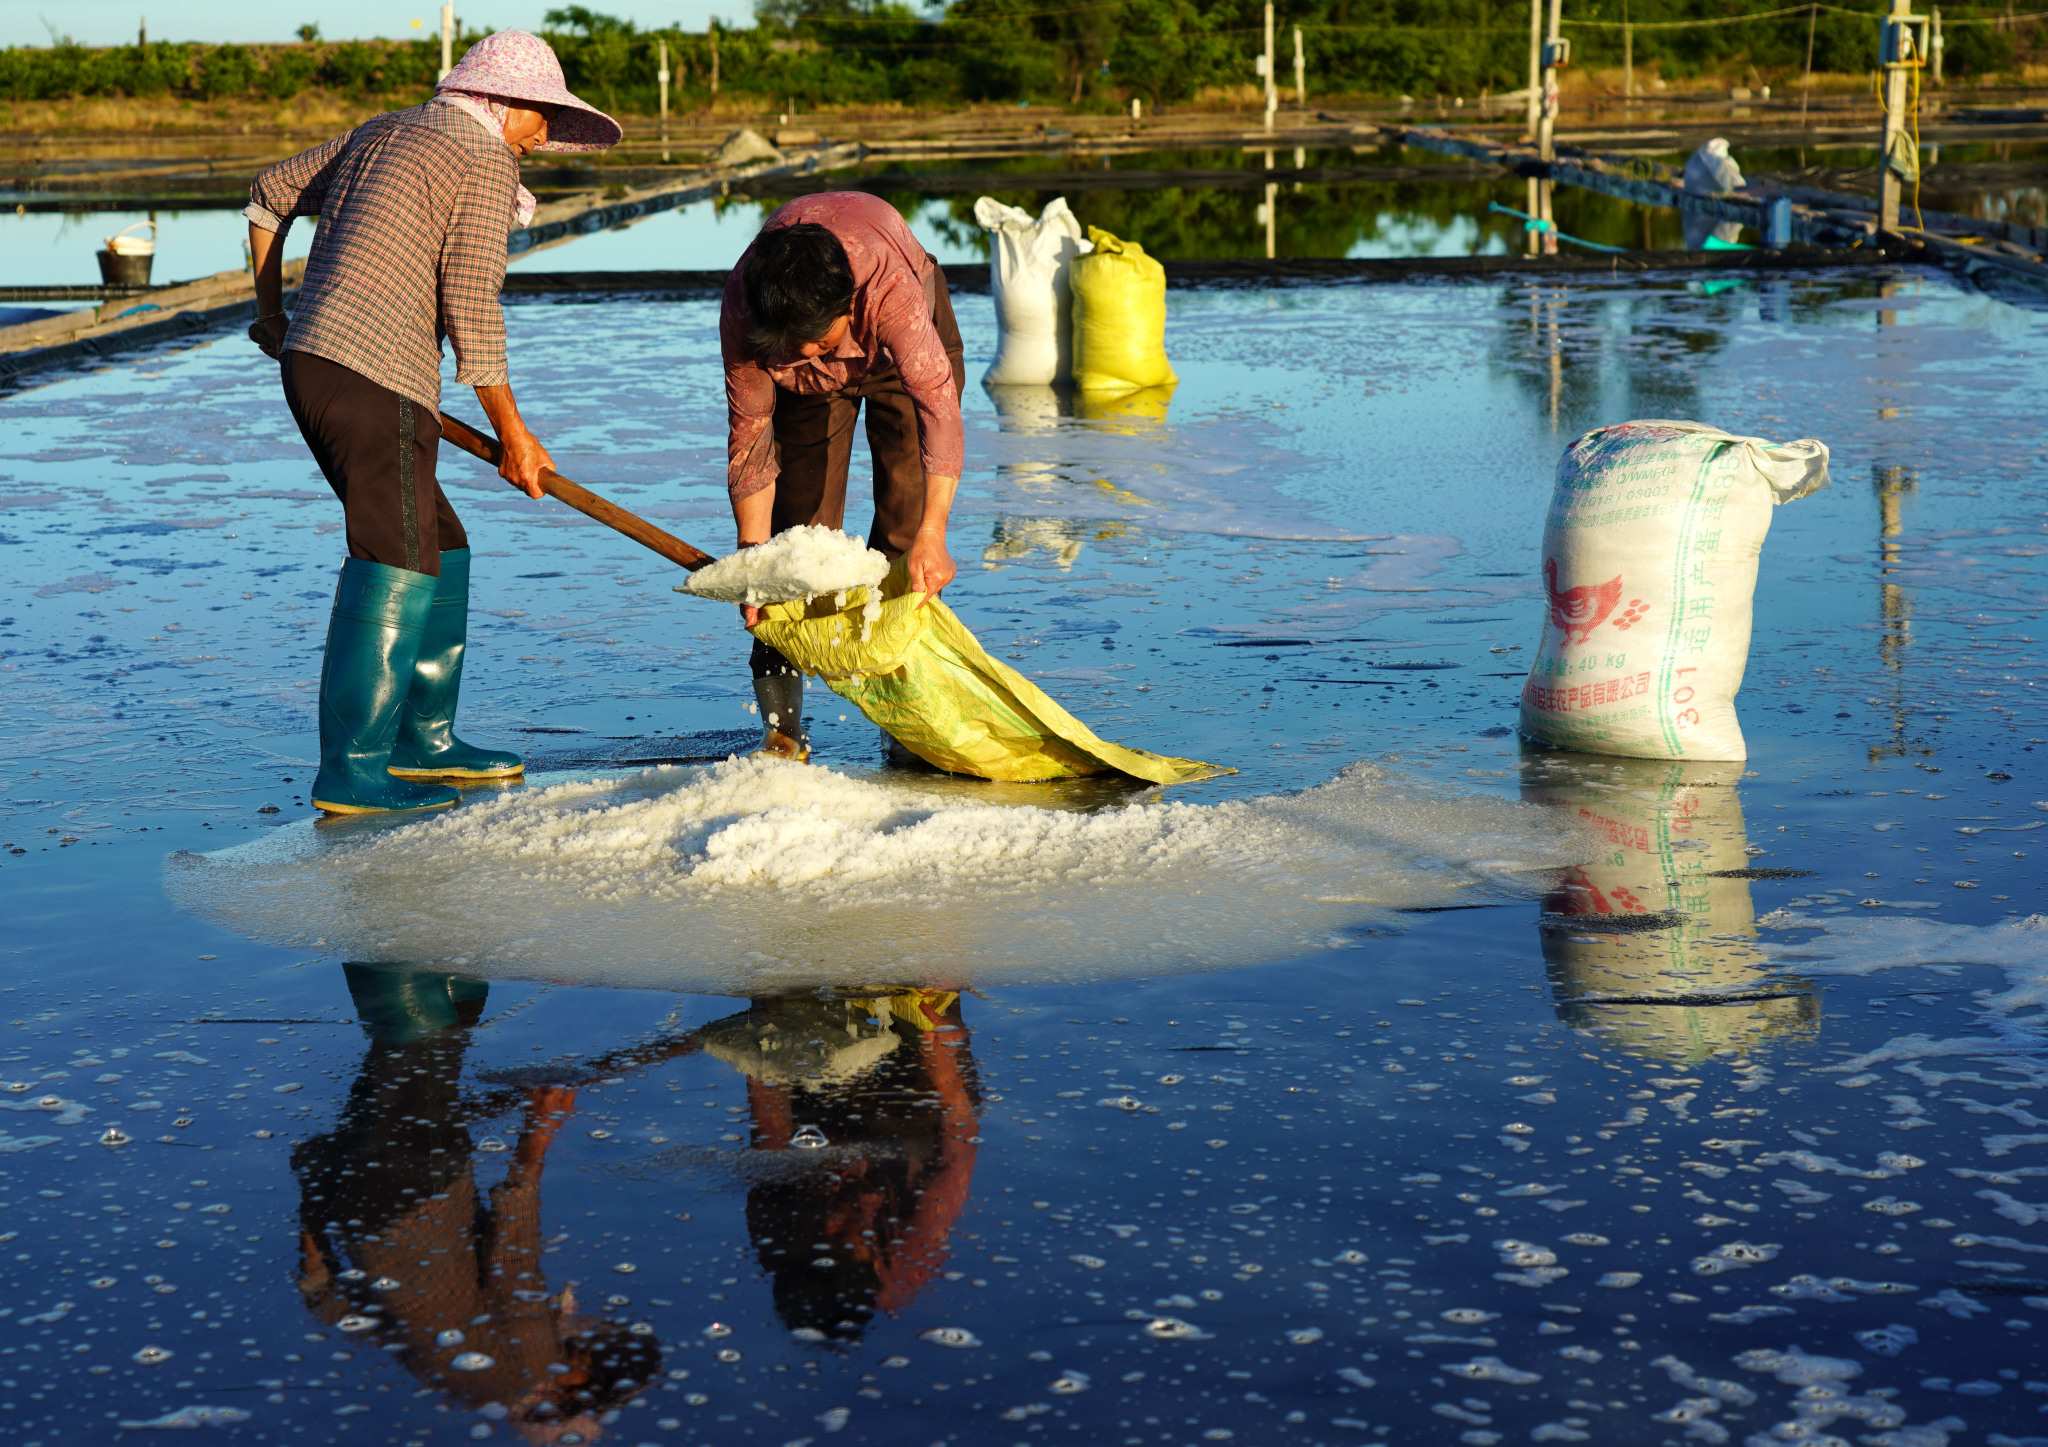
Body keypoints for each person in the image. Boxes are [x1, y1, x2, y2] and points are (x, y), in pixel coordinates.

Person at [245, 31, 620, 814]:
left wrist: (274, 316)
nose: (544, 136)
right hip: (373, 374)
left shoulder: (383, 129)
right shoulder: (483, 159)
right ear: (502, 102)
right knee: (398, 555)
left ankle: (424, 740)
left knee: (437, 541)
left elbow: (267, 196)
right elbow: (472, 305)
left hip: (320, 363)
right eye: (542, 116)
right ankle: (352, 768)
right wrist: (514, 435)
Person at [720, 193, 968, 761]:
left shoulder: (888, 290)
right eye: (797, 346)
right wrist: (753, 561)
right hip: (795, 376)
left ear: (848, 307)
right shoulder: (749, 312)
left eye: (821, 343)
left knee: (906, 531)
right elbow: (750, 439)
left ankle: (906, 723)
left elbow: (938, 409)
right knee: (795, 545)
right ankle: (782, 729)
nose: (812, 354)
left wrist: (934, 533)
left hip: (900, 357)